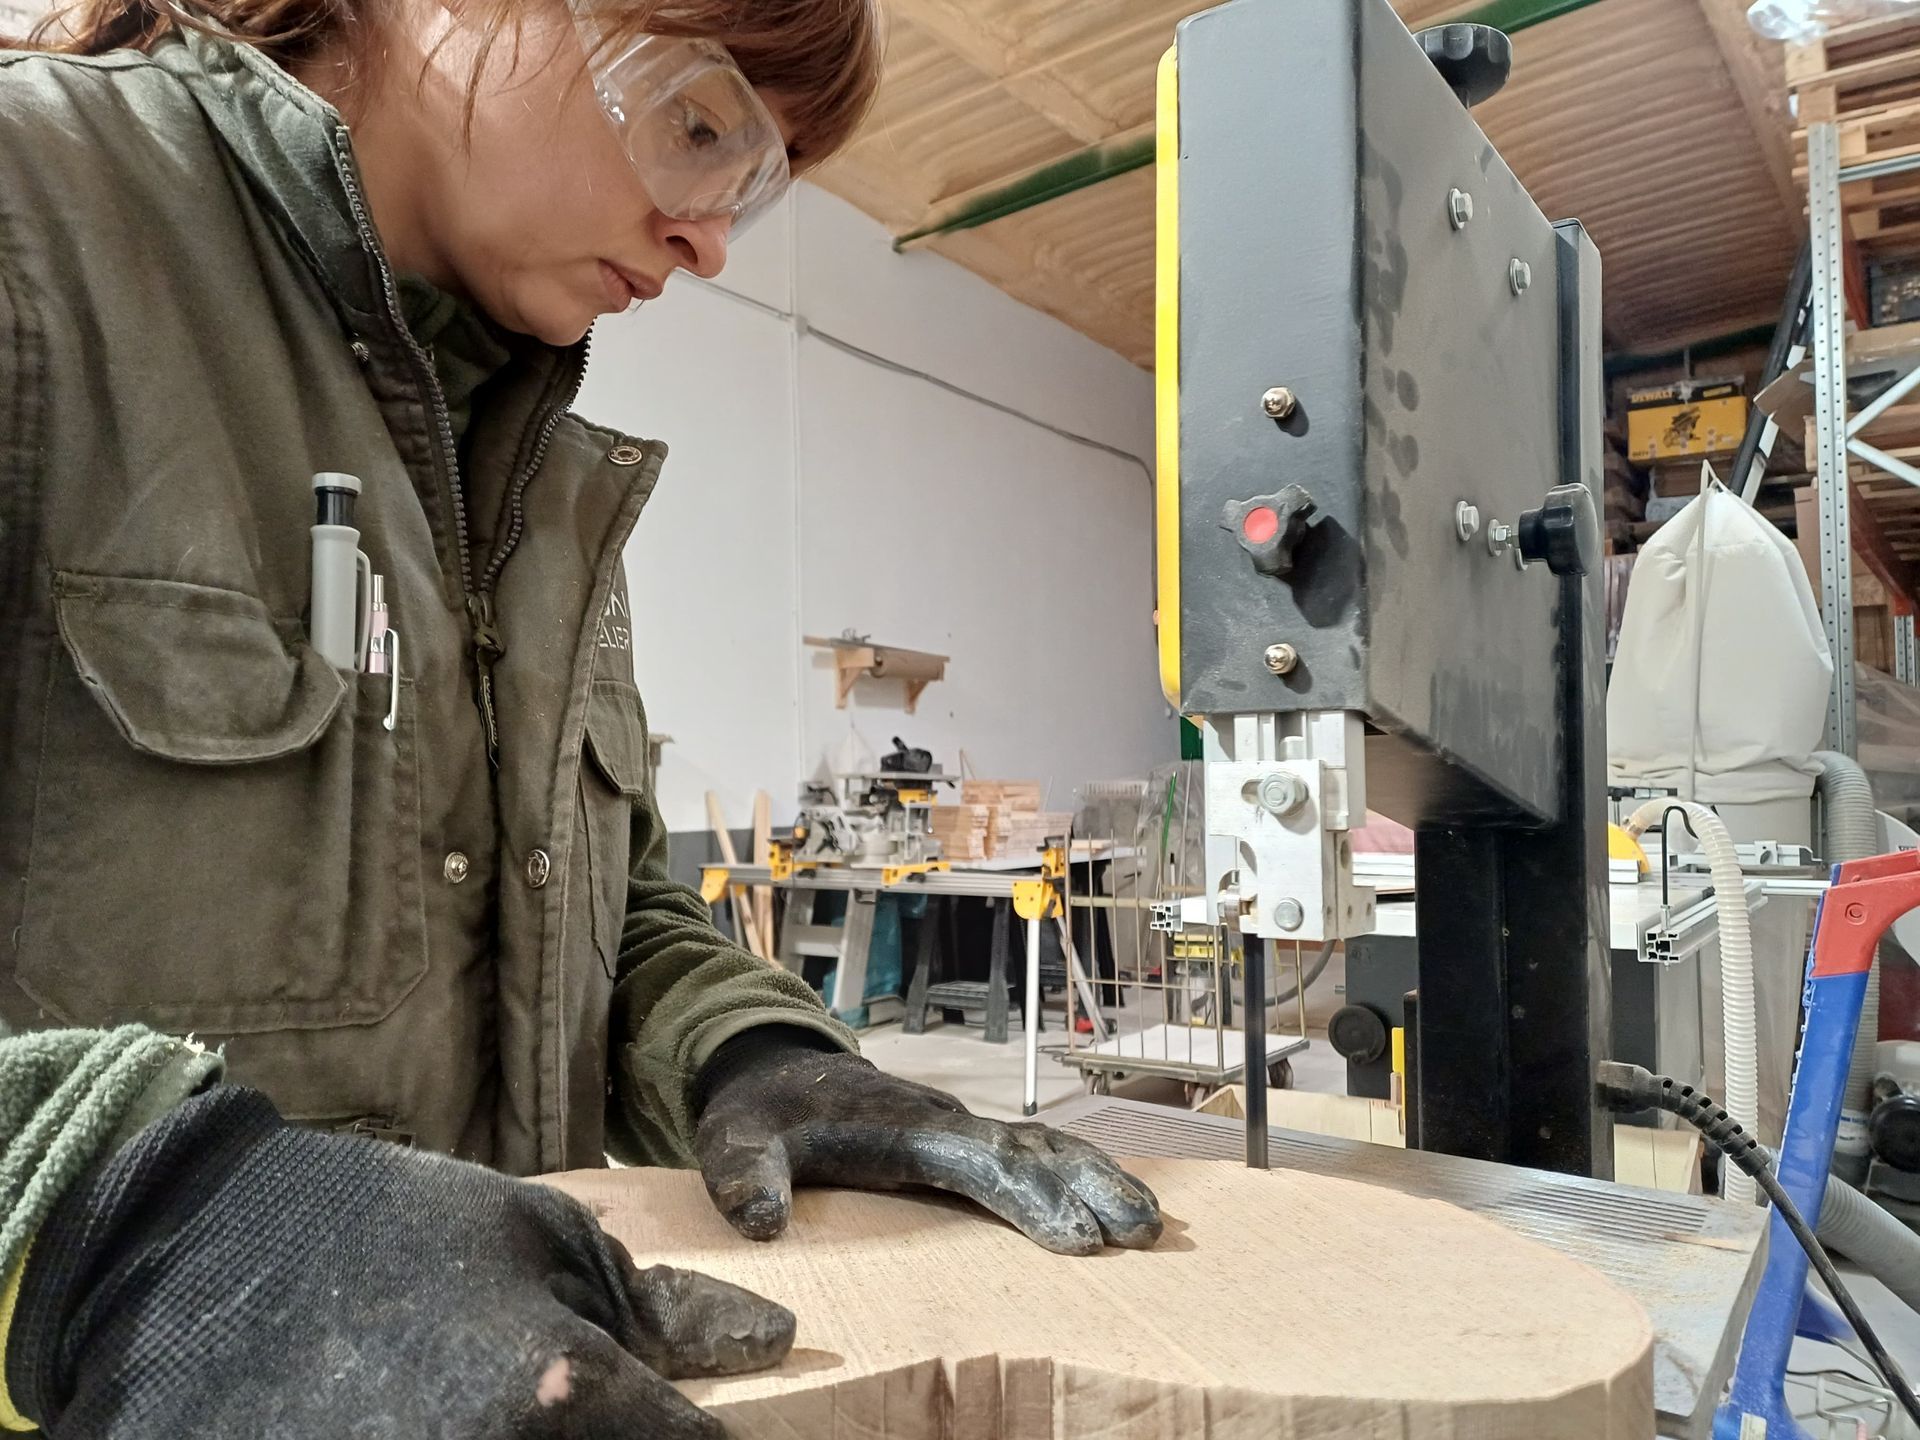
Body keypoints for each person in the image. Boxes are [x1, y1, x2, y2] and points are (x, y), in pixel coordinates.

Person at [0, 0, 1162, 1429]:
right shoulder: (31, 223)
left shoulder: (532, 466)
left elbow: (599, 908)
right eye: (699, 124)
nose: (711, 243)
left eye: (751, 185)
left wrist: (760, 1056)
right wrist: (132, 1234)